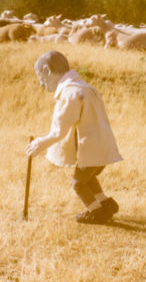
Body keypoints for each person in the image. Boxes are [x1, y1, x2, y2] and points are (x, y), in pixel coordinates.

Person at [25, 51, 123, 224]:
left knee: (78, 184)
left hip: (92, 148)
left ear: (47, 70)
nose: (41, 84)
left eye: (40, 77)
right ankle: (105, 202)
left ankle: (97, 212)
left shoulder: (71, 93)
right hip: (102, 146)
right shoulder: (85, 88)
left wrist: (40, 143)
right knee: (89, 177)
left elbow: (59, 130)